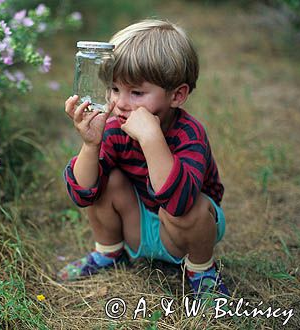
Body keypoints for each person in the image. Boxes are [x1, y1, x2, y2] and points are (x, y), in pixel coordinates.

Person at [59, 19, 230, 298]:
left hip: (183, 233)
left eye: (136, 92)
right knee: (107, 180)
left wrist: (152, 139)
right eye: (115, 89)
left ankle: (201, 270)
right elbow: (83, 194)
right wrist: (91, 145)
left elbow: (178, 204)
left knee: (195, 207)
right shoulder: (115, 129)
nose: (122, 103)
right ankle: (110, 252)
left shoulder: (189, 134)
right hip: (136, 226)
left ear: (177, 95)